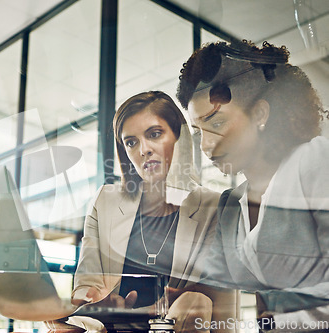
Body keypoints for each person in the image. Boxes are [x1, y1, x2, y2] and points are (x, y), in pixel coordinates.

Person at [177, 40, 329, 330]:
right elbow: (216, 283)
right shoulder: (231, 203)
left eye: (217, 124)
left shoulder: (314, 161)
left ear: (260, 114)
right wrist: (189, 297)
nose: (206, 145)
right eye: (199, 132)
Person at [72, 91, 237, 332]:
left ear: (179, 137)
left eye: (154, 134)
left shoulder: (214, 207)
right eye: (131, 142)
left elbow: (217, 302)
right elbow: (86, 281)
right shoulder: (105, 201)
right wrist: (93, 298)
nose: (144, 149)